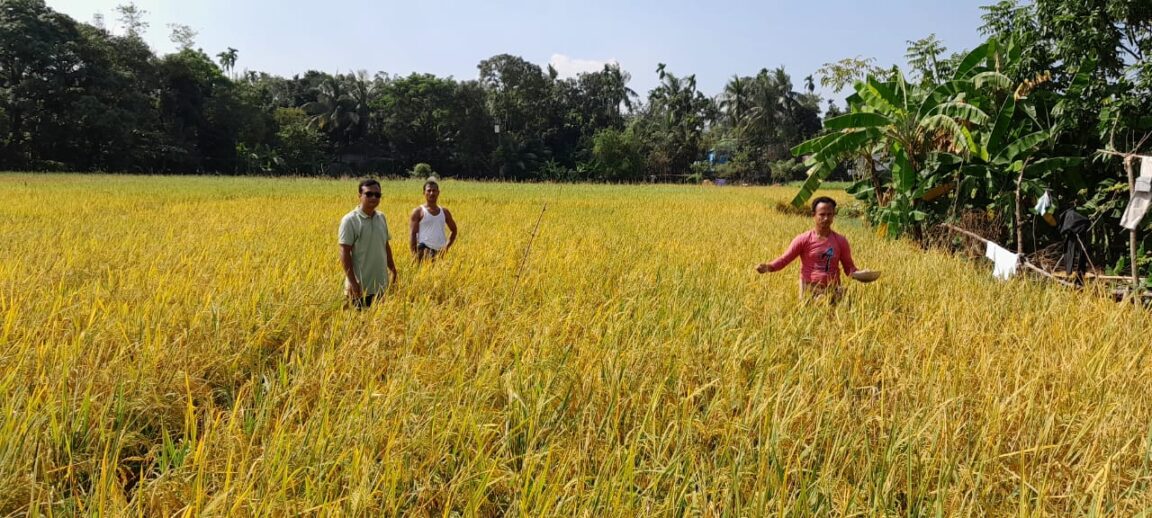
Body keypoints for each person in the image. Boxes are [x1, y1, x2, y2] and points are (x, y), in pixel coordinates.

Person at [756, 196, 858, 301]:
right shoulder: (804, 239)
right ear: (813, 215)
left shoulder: (840, 241)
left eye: (829, 214)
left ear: (833, 216)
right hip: (809, 290)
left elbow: (849, 268)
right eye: (822, 215)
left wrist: (863, 275)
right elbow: (785, 259)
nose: (826, 218)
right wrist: (769, 267)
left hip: (833, 290)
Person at [339, 179, 397, 309]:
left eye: (377, 195)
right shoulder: (350, 220)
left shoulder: (381, 217)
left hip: (380, 286)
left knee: (378, 326)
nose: (373, 197)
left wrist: (393, 270)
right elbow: (344, 253)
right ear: (360, 196)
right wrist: (353, 282)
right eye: (369, 194)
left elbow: (385, 245)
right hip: (359, 287)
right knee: (357, 326)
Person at [409, 179, 458, 262]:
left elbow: (454, 230)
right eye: (429, 190)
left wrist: (446, 247)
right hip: (423, 252)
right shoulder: (418, 211)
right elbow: (413, 234)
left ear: (438, 192)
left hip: (440, 254)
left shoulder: (445, 212)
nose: (431, 193)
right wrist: (414, 255)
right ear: (424, 193)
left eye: (434, 190)